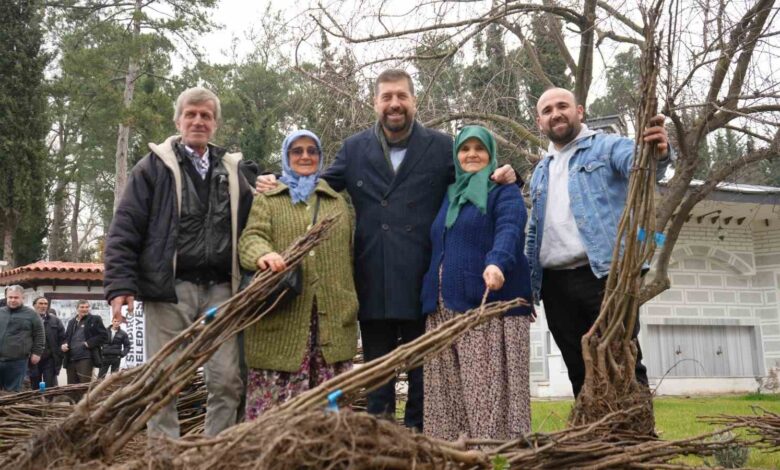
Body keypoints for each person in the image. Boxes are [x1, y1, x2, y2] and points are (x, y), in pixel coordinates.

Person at [256, 69, 516, 430]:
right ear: (375, 103)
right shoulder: (354, 147)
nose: (394, 104)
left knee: (424, 381)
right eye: (386, 97)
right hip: (372, 279)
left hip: (425, 283)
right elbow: (317, 186)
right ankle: (379, 450)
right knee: (378, 381)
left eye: (401, 96)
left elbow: (473, 184)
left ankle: (416, 449)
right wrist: (277, 180)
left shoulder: (442, 147)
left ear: (414, 101)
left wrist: (503, 173)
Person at [103, 86, 255, 437]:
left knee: (228, 380)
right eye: (191, 114)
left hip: (221, 292)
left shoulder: (232, 171)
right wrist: (120, 286)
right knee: (163, 382)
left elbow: (252, 225)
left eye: (206, 115)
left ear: (215, 123)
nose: (198, 121)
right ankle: (165, 457)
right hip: (169, 291)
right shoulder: (153, 168)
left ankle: (213, 455)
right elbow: (125, 228)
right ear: (178, 120)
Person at [526, 87, 672, 398]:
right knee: (579, 367)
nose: (556, 113)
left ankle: (635, 437)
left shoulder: (606, 147)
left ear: (579, 111)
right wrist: (530, 287)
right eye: (548, 110)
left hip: (603, 276)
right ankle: (593, 439)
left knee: (621, 360)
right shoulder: (541, 171)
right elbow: (533, 233)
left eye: (562, 106)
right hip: (554, 284)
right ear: (540, 122)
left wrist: (656, 153)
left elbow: (642, 167)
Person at [420, 126, 532, 440]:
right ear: (456, 155)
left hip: (480, 305)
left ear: (490, 154)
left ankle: (491, 456)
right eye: (464, 148)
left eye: (479, 148)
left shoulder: (502, 190)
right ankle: (451, 456)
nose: (471, 154)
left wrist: (497, 262)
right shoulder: (449, 193)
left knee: (484, 392)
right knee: (444, 396)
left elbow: (511, 227)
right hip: (440, 309)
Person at [238, 129, 358, 419]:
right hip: (282, 320)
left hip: (331, 325)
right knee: (275, 419)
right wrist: (263, 254)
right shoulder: (269, 198)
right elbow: (250, 238)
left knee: (330, 419)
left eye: (311, 151)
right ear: (286, 156)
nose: (305, 156)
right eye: (297, 151)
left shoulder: (336, 202)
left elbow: (351, 255)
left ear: (320, 157)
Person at [0, 286, 44, 392]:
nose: (13, 300)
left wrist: (37, 352)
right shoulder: (1, 312)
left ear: (22, 297)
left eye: (16, 297)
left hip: (18, 361)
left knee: (13, 392)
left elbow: (40, 334)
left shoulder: (32, 314)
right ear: (6, 297)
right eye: (10, 297)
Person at [62, 300, 108, 384]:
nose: (85, 309)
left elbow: (104, 336)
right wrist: (64, 345)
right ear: (77, 308)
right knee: (71, 386)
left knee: (84, 385)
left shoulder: (95, 319)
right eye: (82, 307)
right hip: (71, 358)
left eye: (87, 307)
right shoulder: (71, 322)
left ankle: (85, 398)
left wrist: (89, 343)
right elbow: (66, 337)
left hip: (86, 357)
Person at [28, 296, 66, 388]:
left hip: (50, 358)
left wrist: (63, 345)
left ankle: (48, 401)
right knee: (34, 384)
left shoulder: (55, 321)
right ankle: (37, 401)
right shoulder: (28, 320)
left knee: (49, 385)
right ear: (34, 305)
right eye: (40, 303)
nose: (43, 306)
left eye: (45, 304)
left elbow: (62, 337)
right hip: (32, 359)